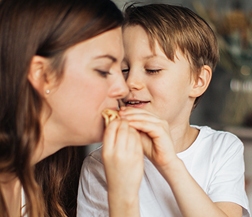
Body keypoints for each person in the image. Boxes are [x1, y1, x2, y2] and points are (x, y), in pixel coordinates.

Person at [77, 3, 251, 217]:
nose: (130, 82)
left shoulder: (222, 148)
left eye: (152, 70)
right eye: (123, 69)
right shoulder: (99, 164)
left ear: (198, 80)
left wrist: (169, 164)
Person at [0, 0, 145, 216]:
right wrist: (123, 201)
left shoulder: (25, 184)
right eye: (103, 70)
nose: (123, 90)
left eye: (120, 69)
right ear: (43, 75)